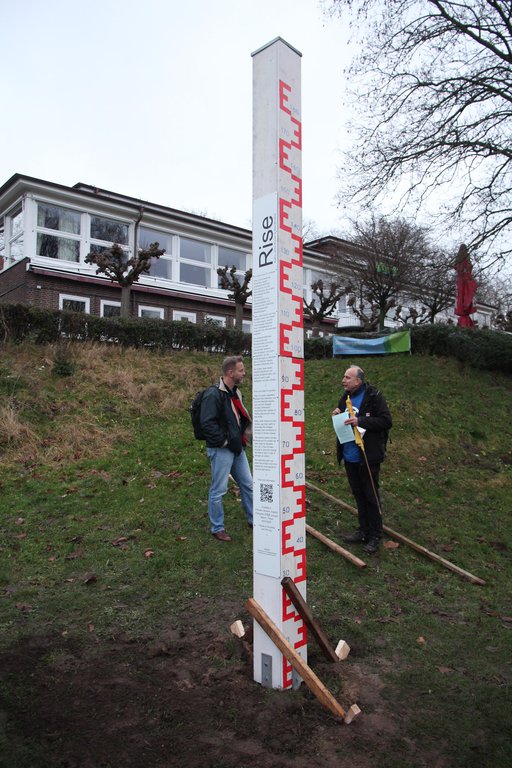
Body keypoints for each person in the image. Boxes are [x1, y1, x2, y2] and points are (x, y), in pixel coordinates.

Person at [332, 365, 392, 554]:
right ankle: (363, 531)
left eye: (347, 377)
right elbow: (344, 418)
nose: (343, 380)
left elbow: (386, 421)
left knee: (371, 496)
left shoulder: (374, 396)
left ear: (358, 381)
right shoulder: (346, 397)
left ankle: (375, 535)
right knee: (358, 494)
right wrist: (337, 415)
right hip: (350, 455)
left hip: (368, 456)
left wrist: (361, 421)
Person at [200, 355, 253, 541]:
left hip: (237, 448)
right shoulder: (213, 394)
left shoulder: (235, 393)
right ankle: (217, 527)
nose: (244, 373)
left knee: (248, 484)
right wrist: (224, 442)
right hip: (222, 449)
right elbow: (207, 424)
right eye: (241, 370)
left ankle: (254, 520)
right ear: (230, 373)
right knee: (219, 489)